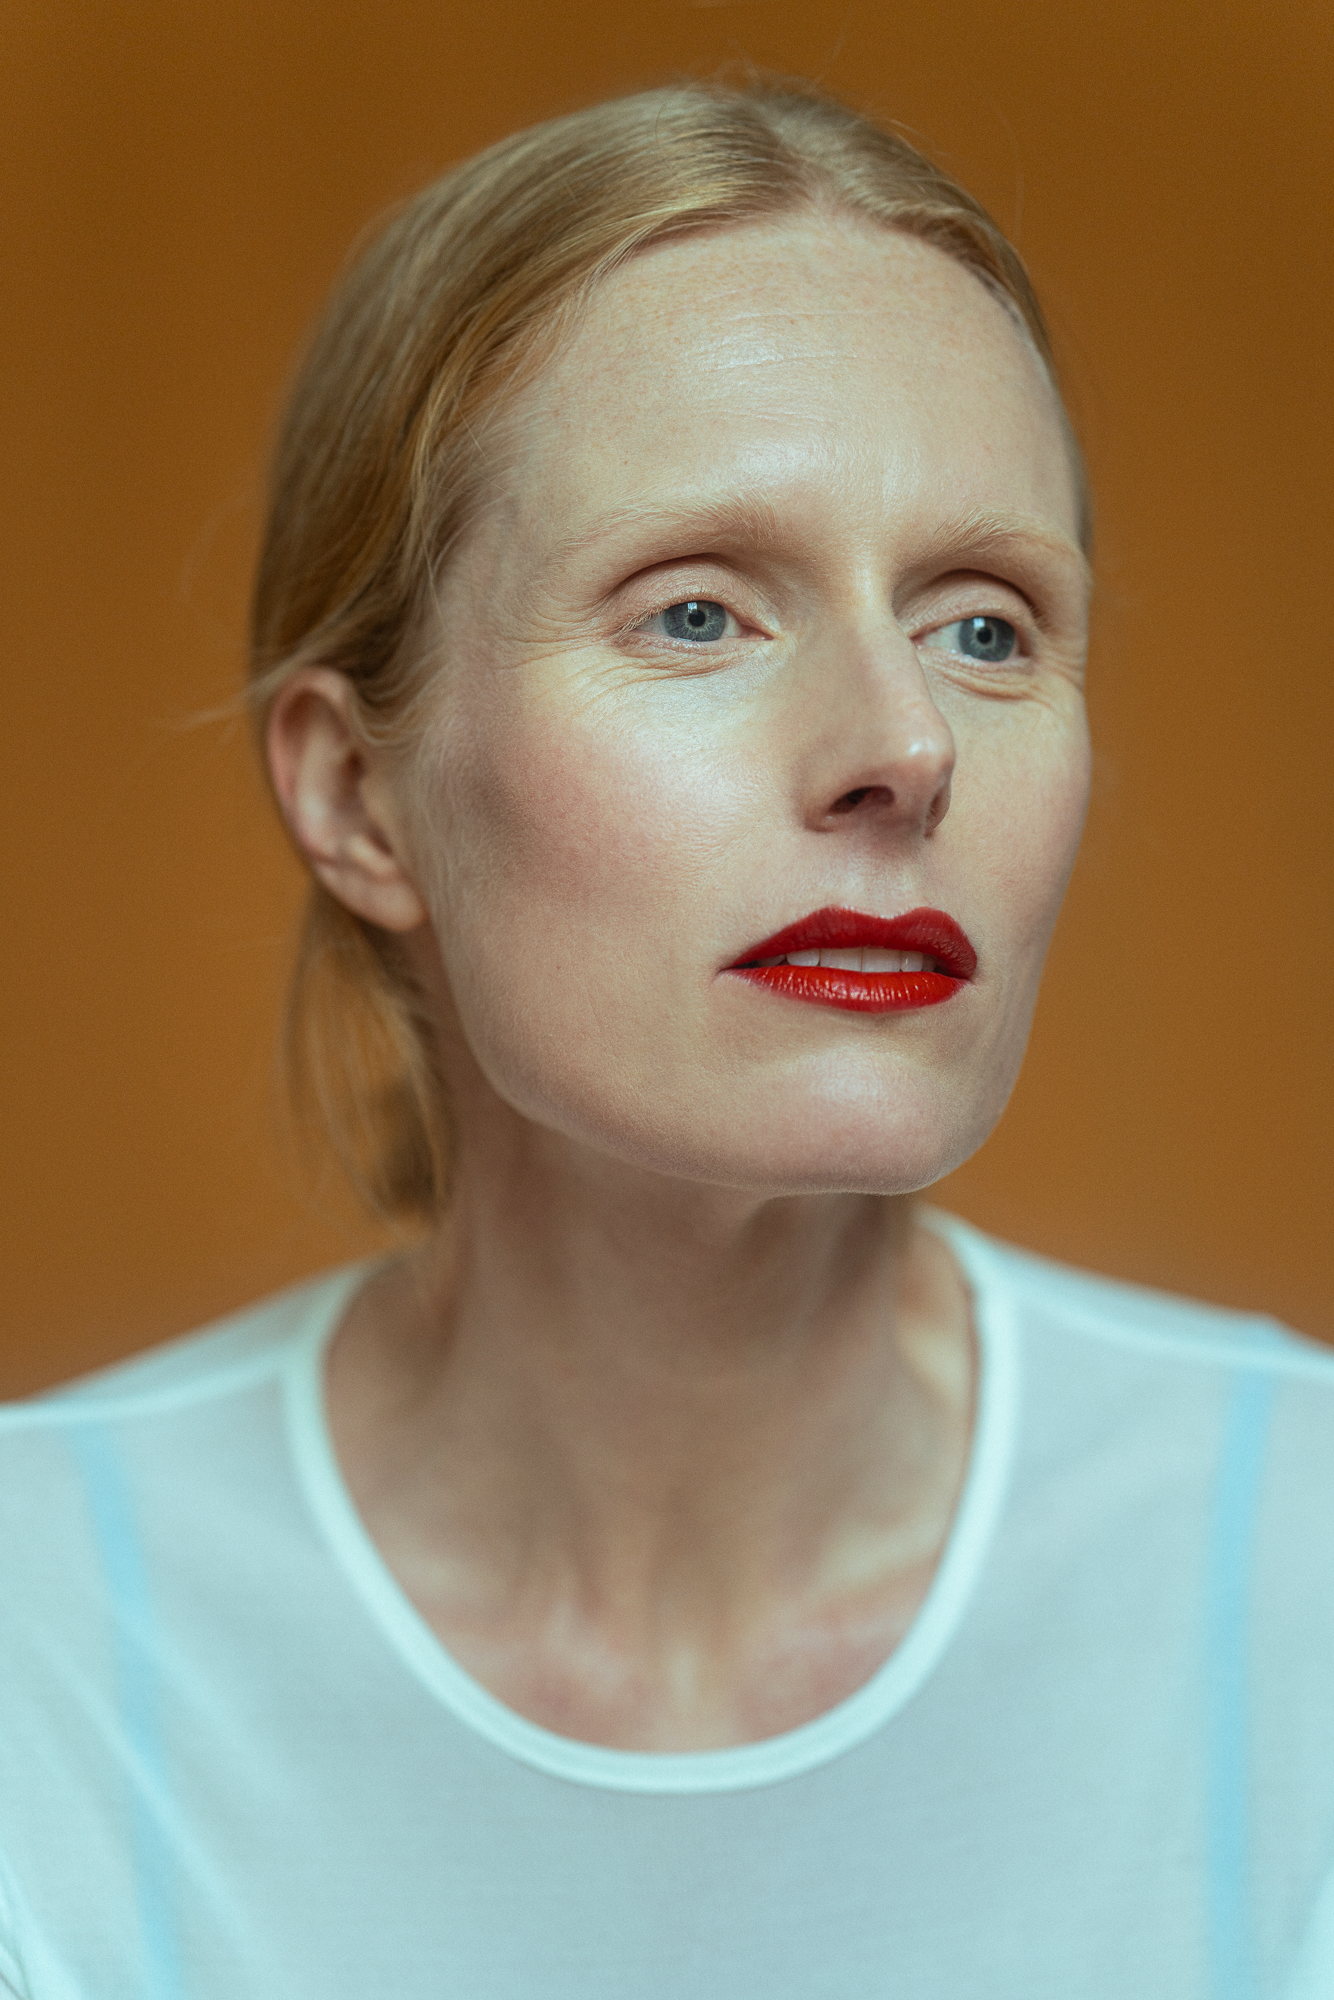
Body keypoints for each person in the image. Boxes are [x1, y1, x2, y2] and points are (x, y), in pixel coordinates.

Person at [1, 77, 1330, 2000]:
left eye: (984, 625)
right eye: (698, 613)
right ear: (361, 800)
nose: (904, 744)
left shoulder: (1296, 1565)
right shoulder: (41, 1644)